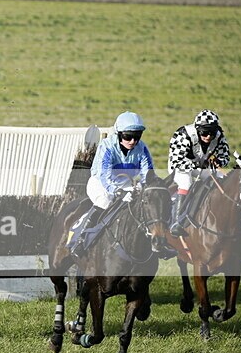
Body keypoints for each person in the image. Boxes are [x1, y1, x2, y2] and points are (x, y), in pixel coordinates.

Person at [69, 111, 155, 256]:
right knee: (105, 201)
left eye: (137, 136)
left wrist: (143, 185)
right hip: (100, 184)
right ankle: (81, 239)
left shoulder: (142, 148)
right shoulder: (107, 146)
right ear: (119, 133)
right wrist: (119, 192)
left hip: (127, 184)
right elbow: (105, 175)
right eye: (128, 136)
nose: (133, 141)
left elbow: (148, 172)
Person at [167, 109, 230, 236]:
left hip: (202, 166)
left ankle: (235, 214)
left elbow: (226, 157)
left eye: (212, 132)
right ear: (197, 129)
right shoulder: (183, 135)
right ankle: (176, 221)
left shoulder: (219, 136)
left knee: (223, 178)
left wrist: (219, 161)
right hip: (181, 166)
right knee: (186, 182)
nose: (208, 136)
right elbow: (176, 162)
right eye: (204, 132)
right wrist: (196, 164)